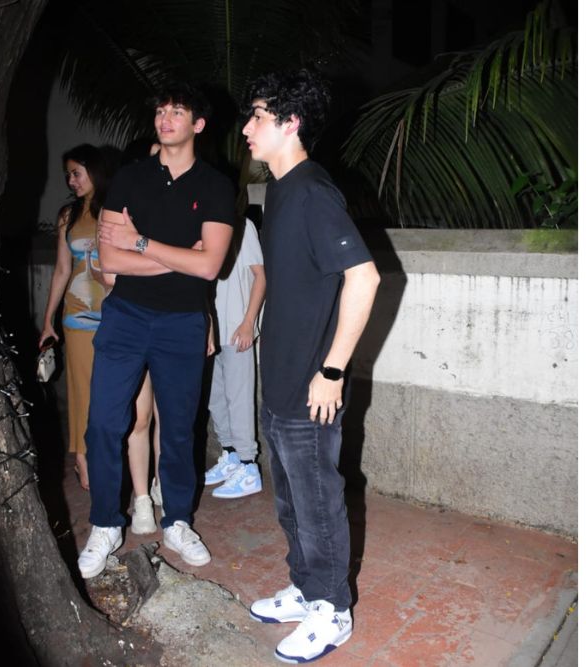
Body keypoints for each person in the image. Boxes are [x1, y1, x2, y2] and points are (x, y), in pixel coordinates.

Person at [241, 69, 380, 663]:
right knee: (292, 501)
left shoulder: (312, 191)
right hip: (281, 380)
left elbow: (364, 277)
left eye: (258, 117)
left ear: (290, 124)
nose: (247, 128)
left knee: (319, 500)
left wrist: (332, 371)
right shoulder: (279, 190)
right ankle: (306, 589)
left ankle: (333, 610)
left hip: (309, 386)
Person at [77, 83, 235, 579]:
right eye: (161, 111)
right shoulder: (127, 179)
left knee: (180, 428)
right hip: (125, 316)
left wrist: (141, 243)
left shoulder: (215, 186)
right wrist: (180, 257)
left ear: (198, 124)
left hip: (182, 323)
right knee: (103, 423)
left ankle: (179, 522)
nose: (165, 118)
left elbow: (210, 267)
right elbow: (108, 262)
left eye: (177, 111)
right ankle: (105, 523)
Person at [37, 144, 111, 491]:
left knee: (109, 392)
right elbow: (61, 270)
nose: (71, 179)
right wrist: (48, 319)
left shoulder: (116, 209)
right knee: (82, 391)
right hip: (78, 317)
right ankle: (82, 459)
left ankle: (109, 456)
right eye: (68, 173)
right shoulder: (67, 215)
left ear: (94, 171)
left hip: (114, 314)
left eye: (76, 172)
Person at [202, 217, 266, 498]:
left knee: (238, 396)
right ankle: (230, 456)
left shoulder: (243, 226)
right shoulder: (203, 222)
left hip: (236, 323)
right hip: (209, 326)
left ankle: (249, 466)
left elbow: (260, 275)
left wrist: (248, 322)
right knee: (215, 396)